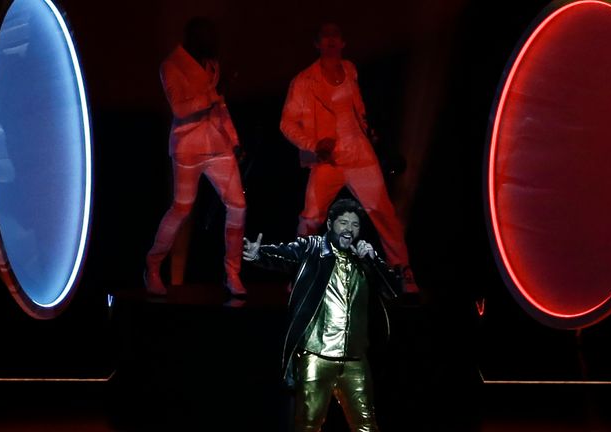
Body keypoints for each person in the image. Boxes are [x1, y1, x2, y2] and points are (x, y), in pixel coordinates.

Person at [242, 198, 403, 432]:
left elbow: (393, 291)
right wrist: (260, 254)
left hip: (354, 359)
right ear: (330, 224)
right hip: (317, 356)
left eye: (355, 224)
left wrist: (373, 260)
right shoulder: (314, 248)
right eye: (344, 222)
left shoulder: (364, 260)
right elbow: (286, 255)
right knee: (308, 425)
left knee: (366, 425)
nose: (349, 229)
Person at [280, 22, 417, 291]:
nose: (331, 40)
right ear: (317, 44)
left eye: (335, 35)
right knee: (311, 218)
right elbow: (286, 123)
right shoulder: (304, 81)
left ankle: (402, 269)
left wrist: (367, 129)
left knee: (383, 212)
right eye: (325, 36)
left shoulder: (351, 70)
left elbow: (357, 106)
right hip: (328, 159)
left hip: (360, 155)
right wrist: (314, 144)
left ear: (342, 43)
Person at [144, 16, 247, 297]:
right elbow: (180, 108)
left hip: (218, 146)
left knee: (238, 205)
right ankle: (152, 266)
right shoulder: (171, 65)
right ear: (194, 37)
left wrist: (234, 141)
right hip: (188, 148)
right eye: (207, 36)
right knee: (181, 209)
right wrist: (213, 95)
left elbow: (221, 107)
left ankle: (232, 273)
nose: (213, 42)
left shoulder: (212, 63)